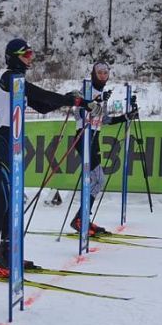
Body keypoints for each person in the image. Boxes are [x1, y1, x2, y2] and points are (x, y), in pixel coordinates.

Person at [0, 38, 98, 278]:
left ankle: (7, 251)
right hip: (2, 139)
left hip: (13, 141)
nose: (30, 59)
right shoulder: (7, 77)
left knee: (13, 200)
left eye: (31, 54)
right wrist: (70, 99)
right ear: (14, 56)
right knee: (3, 199)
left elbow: (42, 105)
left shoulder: (18, 80)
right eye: (26, 54)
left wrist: (70, 99)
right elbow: (39, 93)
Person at [69, 61, 137, 236]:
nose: (102, 75)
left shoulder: (101, 93)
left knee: (97, 180)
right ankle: (80, 219)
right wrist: (95, 101)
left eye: (105, 72)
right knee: (97, 179)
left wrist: (125, 117)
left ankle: (81, 218)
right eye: (99, 72)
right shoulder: (88, 89)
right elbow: (79, 112)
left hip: (94, 137)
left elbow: (104, 119)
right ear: (93, 73)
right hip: (84, 136)